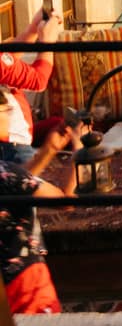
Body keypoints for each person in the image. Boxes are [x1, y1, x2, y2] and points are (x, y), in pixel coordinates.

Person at [0, 121, 84, 314]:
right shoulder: (6, 172)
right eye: (5, 109)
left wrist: (49, 150)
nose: (11, 114)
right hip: (23, 286)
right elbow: (65, 200)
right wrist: (79, 149)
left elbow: (17, 186)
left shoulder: (7, 174)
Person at [0, 5, 63, 166]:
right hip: (12, 148)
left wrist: (32, 29)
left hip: (13, 142)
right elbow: (39, 81)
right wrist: (47, 42)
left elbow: (8, 59)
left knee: (62, 124)